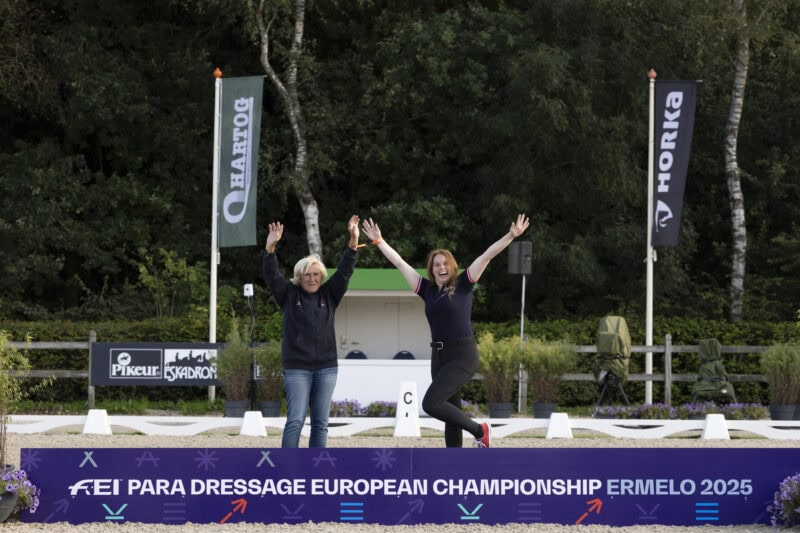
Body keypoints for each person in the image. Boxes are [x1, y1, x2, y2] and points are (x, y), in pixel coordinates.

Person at [362, 214, 530, 448]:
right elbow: (400, 263)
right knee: (450, 411)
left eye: (445, 263)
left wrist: (511, 235)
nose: (441, 267)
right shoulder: (427, 290)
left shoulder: (464, 284)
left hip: (462, 354)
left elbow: (487, 255)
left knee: (431, 403)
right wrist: (379, 242)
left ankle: (479, 430)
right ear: (431, 269)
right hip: (439, 357)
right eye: (436, 264)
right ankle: (453, 461)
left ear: (452, 266)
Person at [262, 215, 360, 448]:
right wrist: (270, 248)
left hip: (327, 368)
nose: (312, 278)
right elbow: (272, 275)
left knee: (321, 423)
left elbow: (345, 271)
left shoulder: (330, 294)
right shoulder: (288, 294)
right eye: (307, 274)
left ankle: (315, 469)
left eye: (316, 274)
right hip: (297, 368)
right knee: (295, 420)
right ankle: (288, 470)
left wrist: (353, 242)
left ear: (322, 276)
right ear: (299, 277)